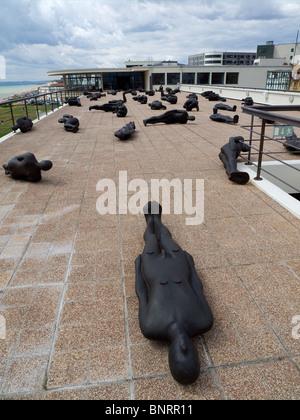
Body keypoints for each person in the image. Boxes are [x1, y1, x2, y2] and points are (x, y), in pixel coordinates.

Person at [135, 202, 214, 385]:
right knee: (165, 236)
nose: (184, 347)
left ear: (171, 357)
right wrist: (191, 265)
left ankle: (149, 221)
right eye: (189, 355)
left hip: (153, 268)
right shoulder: (203, 320)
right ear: (195, 354)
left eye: (180, 356)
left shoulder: (151, 327)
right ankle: (158, 220)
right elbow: (197, 287)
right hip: (178, 265)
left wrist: (138, 268)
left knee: (151, 239)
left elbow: (142, 294)